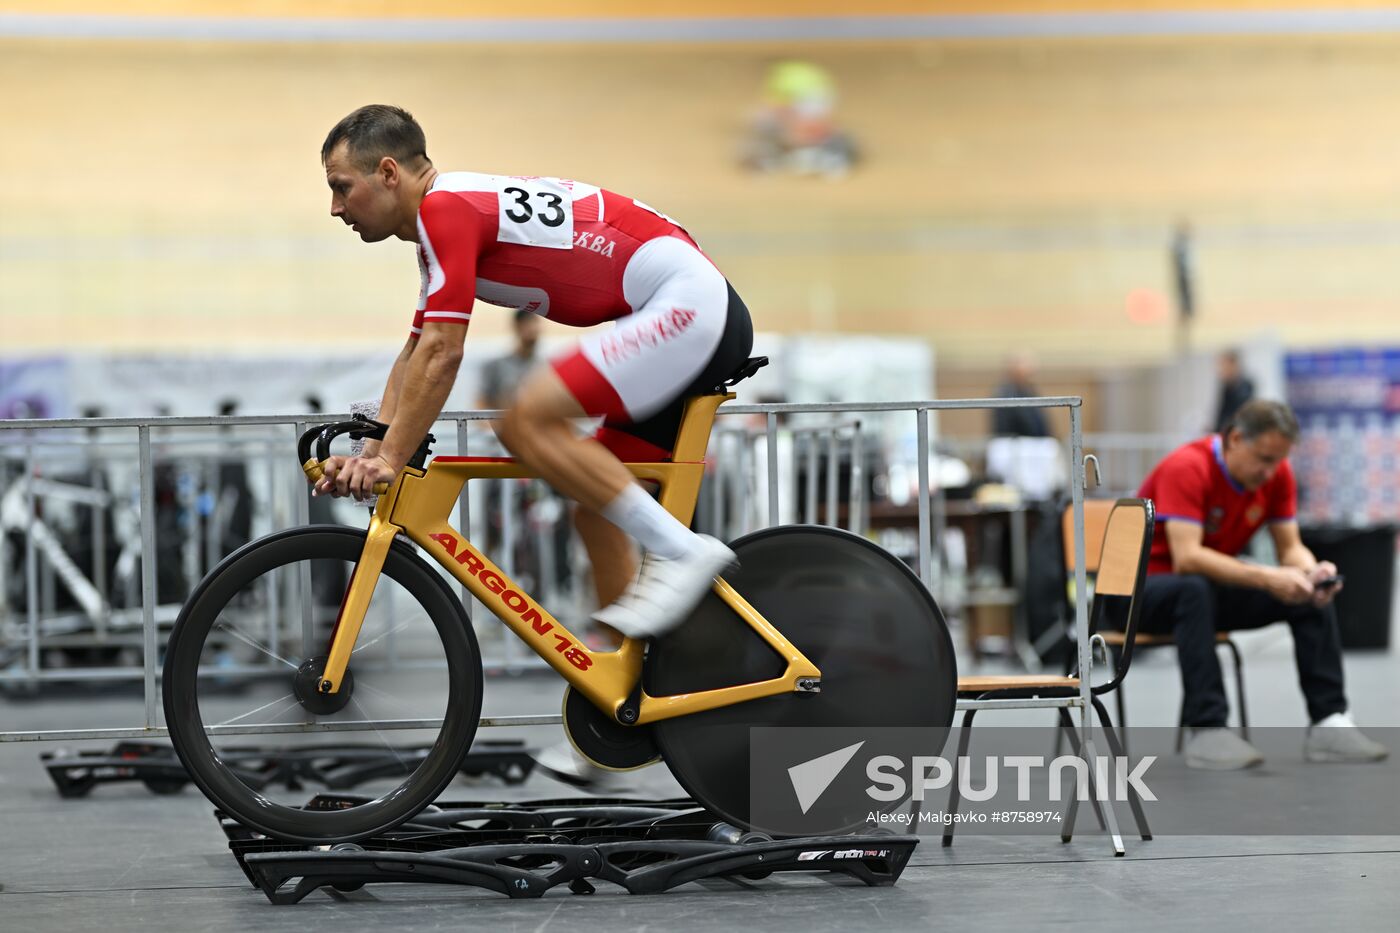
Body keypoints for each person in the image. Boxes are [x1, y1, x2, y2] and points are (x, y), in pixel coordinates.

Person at [313, 105, 753, 784]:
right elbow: (416, 348)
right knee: (593, 503)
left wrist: (388, 458)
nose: (336, 207)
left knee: (526, 419)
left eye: (342, 186)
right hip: (679, 304)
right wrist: (374, 442)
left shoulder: (446, 210)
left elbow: (443, 352)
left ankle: (682, 550)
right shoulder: (440, 226)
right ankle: (623, 697)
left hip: (684, 301)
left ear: (390, 173)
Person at [1135, 399, 1387, 769]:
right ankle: (1207, 730)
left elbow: (1291, 548)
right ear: (1235, 438)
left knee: (1306, 595)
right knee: (1194, 587)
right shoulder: (1187, 467)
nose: (1270, 472)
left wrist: (1312, 572)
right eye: (1264, 459)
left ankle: (1330, 723)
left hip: (1203, 594)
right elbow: (1187, 557)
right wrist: (1268, 577)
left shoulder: (1276, 474)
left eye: (1279, 460)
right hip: (1137, 597)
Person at [989, 352, 1050, 438]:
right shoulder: (1004, 394)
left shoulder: (1030, 390)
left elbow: (1042, 424)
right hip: (1016, 444)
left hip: (1035, 443)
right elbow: (1004, 428)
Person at [1213, 349, 1254, 434]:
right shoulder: (1226, 387)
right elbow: (1220, 415)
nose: (1221, 370)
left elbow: (1240, 413)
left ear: (1234, 365)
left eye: (1224, 365)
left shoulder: (1245, 386)